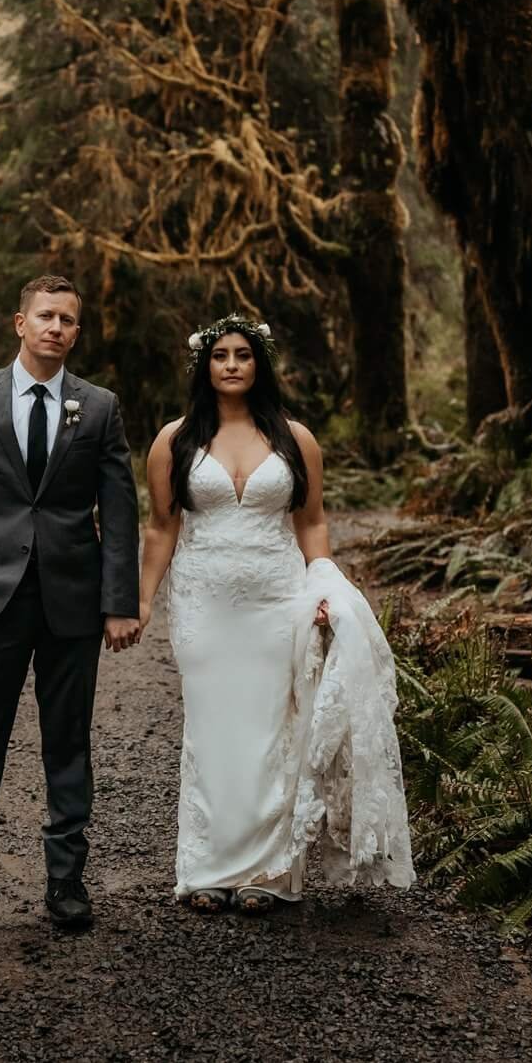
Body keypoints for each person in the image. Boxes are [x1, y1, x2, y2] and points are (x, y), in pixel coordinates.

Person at [136, 314, 413, 914]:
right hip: (204, 603)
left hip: (276, 599)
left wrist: (322, 587)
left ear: (259, 364)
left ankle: (267, 871)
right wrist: (142, 599)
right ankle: (206, 869)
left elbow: (311, 522)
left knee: (272, 729)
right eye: (220, 356)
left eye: (243, 354)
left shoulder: (296, 439)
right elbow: (162, 526)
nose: (232, 364)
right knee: (211, 731)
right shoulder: (174, 439)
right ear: (204, 366)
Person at [0, 274, 141, 935]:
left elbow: (120, 511)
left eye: (68, 319)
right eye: (46, 315)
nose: (57, 327)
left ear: (76, 331)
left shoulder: (97, 407)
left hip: (72, 598)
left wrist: (117, 601)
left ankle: (66, 880)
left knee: (68, 740)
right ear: (20, 322)